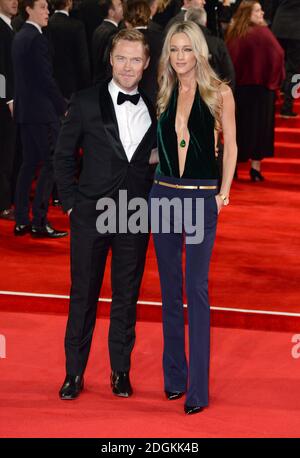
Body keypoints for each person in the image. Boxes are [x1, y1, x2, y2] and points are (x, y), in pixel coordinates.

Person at [55, 29, 157, 400]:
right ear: (110, 60)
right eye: (121, 58)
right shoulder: (83, 102)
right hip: (90, 213)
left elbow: (153, 158)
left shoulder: (154, 106)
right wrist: (69, 203)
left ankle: (120, 371)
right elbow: (63, 156)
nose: (127, 66)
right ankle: (74, 373)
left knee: (126, 296)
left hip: (133, 214)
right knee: (83, 295)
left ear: (146, 64)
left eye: (135, 59)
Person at [149, 21, 237, 415]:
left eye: (186, 49)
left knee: (196, 291)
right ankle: (174, 377)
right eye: (174, 50)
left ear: (199, 51)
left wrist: (223, 193)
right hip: (164, 195)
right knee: (169, 290)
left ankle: (197, 389)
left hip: (202, 198)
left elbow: (231, 146)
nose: (180, 57)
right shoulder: (164, 92)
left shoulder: (220, 93)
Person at [12, 0, 68, 237]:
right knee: (50, 163)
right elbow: (45, 80)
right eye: (43, 7)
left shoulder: (19, 36)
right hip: (42, 114)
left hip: (26, 112)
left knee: (28, 164)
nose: (48, 12)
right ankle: (39, 222)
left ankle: (22, 220)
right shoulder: (36, 38)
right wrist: (63, 106)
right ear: (29, 9)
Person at [226, 0, 284, 181]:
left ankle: (233, 167)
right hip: (262, 90)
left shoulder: (235, 33)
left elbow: (230, 61)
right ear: (247, 14)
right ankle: (255, 169)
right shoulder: (264, 33)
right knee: (261, 129)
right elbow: (278, 55)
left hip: (241, 90)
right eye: (257, 11)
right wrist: (275, 80)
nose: (262, 13)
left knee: (238, 128)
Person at [48, 0, 91, 101]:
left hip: (51, 84)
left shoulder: (46, 25)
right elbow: (83, 61)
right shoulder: (76, 26)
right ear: (68, 2)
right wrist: (87, 87)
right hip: (73, 87)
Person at [124, 0, 164, 104]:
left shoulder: (120, 40)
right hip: (153, 95)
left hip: (126, 94)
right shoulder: (160, 39)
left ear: (126, 22)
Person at [0, 0, 17, 221]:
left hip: (11, 102)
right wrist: (8, 99)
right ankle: (3, 204)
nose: (15, 1)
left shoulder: (11, 27)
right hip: (4, 104)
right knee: (4, 153)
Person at [272, 0, 300, 118]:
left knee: (276, 66)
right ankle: (287, 107)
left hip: (278, 26)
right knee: (294, 71)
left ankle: (277, 96)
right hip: (296, 30)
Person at [92, 0, 123, 83]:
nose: (123, 7)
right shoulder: (114, 33)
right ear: (111, 12)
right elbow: (109, 63)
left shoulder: (98, 29)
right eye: (120, 5)